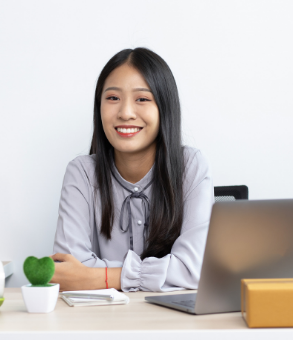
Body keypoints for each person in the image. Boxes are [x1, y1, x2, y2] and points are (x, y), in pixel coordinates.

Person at [51, 47, 214, 292]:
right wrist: (166, 273)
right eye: (113, 98)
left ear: (164, 108)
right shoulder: (82, 173)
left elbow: (194, 270)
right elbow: (67, 270)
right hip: (100, 322)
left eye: (142, 99)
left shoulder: (190, 166)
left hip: (175, 322)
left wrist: (105, 278)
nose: (126, 113)